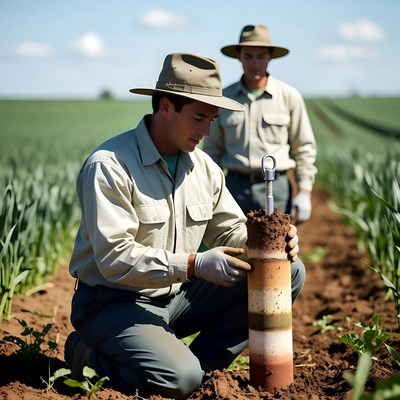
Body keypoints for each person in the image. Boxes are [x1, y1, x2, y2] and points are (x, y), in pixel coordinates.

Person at [64, 52, 305, 399]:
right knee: (179, 379)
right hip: (113, 302)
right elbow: (114, 258)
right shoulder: (110, 166)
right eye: (198, 118)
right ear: (165, 107)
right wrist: (195, 264)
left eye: (212, 120)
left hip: (175, 297)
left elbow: (231, 230)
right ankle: (86, 354)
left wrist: (272, 243)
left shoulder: (203, 168)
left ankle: (200, 370)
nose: (206, 131)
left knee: (288, 271)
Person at [203, 24, 317, 223]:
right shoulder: (224, 99)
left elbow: (304, 148)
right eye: (248, 56)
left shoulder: (289, 96)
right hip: (234, 189)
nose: (254, 63)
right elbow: (212, 151)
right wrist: (207, 191)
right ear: (239, 56)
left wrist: (304, 191)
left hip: (277, 187)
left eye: (261, 56)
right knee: (235, 249)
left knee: (276, 250)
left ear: (270, 56)